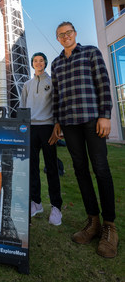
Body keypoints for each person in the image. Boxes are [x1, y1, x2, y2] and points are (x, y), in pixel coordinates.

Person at [50, 21, 118, 258]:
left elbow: (103, 84)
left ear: (75, 34)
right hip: (69, 124)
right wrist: (58, 122)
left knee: (101, 169)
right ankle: (93, 221)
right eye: (61, 35)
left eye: (69, 33)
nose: (66, 37)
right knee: (80, 170)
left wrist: (105, 115)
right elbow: (57, 95)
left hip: (92, 120)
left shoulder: (90, 52)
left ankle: (110, 226)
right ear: (58, 39)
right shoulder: (56, 63)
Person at [20, 52, 62, 226]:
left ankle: (56, 207)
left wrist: (57, 126)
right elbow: (22, 106)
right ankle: (36, 203)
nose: (38, 63)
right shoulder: (27, 84)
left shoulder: (52, 82)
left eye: (41, 60)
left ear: (45, 63)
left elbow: (58, 104)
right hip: (31, 128)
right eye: (35, 61)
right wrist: (22, 127)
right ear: (32, 64)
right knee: (32, 167)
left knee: (51, 167)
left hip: (47, 127)